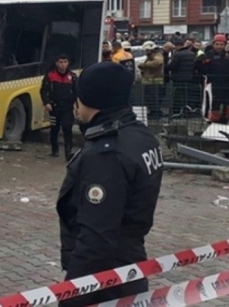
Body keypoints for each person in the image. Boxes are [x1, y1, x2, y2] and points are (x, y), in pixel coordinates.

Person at [57, 61, 164, 307]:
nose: (75, 105)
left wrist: (71, 296)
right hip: (131, 267)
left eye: (79, 97)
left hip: (105, 281)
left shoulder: (106, 155)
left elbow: (97, 239)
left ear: (93, 99)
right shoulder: (141, 136)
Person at [40, 54, 78, 159]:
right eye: (61, 62)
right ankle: (55, 150)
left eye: (65, 62)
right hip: (54, 107)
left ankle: (68, 152)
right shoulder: (50, 75)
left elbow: (77, 92)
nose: (63, 64)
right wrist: (46, 103)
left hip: (67, 107)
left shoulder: (73, 76)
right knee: (54, 129)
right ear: (57, 63)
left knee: (67, 128)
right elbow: (43, 90)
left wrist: (77, 106)